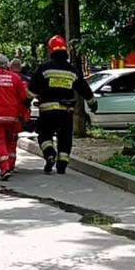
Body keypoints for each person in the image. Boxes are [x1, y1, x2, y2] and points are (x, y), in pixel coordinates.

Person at [29, 35, 98, 174]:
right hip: (66, 112)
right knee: (65, 137)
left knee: (44, 134)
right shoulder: (72, 70)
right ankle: (62, 165)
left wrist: (24, 103)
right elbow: (84, 89)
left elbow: (32, 90)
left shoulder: (44, 68)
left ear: (50, 50)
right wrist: (92, 103)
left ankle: (49, 154)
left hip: (47, 111)